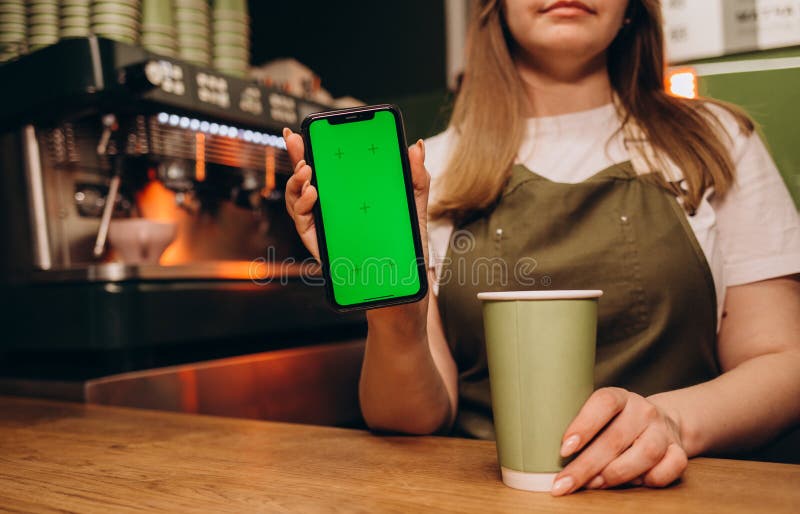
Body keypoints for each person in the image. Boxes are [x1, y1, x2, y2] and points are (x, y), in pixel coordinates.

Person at [283, 0, 800, 497]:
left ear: (633, 7)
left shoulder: (718, 142)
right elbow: (410, 419)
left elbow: (781, 362)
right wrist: (396, 312)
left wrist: (674, 422)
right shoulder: (428, 171)